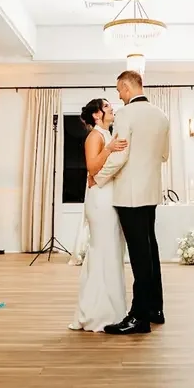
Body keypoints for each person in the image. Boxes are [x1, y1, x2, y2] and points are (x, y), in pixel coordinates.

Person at [102, 70, 170, 335]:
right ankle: (156, 308)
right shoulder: (162, 115)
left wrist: (98, 176)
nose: (118, 95)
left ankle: (138, 317)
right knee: (150, 250)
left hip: (129, 194)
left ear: (125, 86)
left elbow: (119, 157)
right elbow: (164, 155)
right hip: (151, 192)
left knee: (139, 256)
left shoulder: (125, 114)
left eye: (119, 90)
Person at [70, 99, 130, 331]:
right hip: (99, 199)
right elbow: (92, 168)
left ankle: (112, 309)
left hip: (110, 196)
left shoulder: (108, 134)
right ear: (96, 115)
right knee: (103, 250)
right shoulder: (95, 137)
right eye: (107, 106)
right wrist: (109, 149)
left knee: (113, 251)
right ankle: (97, 312)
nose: (112, 108)